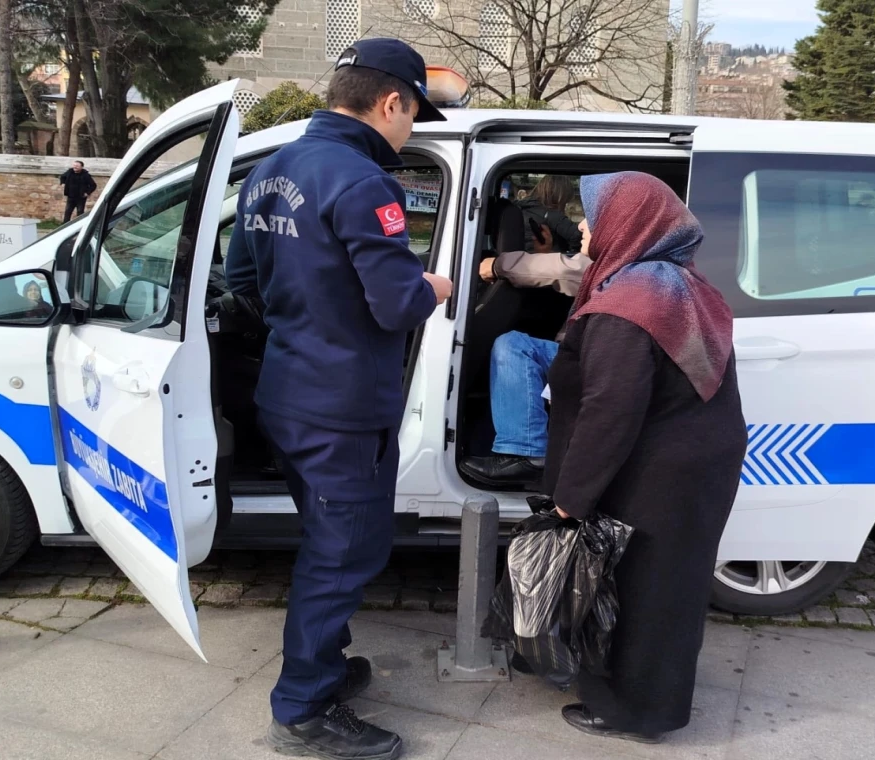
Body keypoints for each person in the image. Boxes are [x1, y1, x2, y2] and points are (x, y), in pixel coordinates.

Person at [224, 38, 454, 760]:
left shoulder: (269, 169)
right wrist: (434, 287)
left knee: (329, 539)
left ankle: (323, 666)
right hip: (343, 407)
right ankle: (303, 710)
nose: (409, 132)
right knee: (343, 551)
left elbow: (243, 282)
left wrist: (306, 318)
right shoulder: (363, 183)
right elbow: (397, 305)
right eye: (412, 116)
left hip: (286, 394)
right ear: (391, 102)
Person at [542, 172, 745, 744]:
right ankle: (657, 696)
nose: (582, 225)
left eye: (592, 214)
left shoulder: (629, 303)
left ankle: (633, 711)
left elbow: (610, 411)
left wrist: (570, 499)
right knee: (672, 586)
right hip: (694, 465)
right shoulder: (678, 283)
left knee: (640, 590)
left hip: (656, 473)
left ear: (625, 222)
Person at [461, 243, 590, 488]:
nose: (583, 226)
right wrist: (546, 250)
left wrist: (499, 265)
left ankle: (526, 452)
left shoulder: (624, 260)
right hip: (589, 354)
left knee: (514, 346)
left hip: (593, 360)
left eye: (590, 224)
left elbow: (569, 270)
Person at [517, 175, 583, 253]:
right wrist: (572, 253)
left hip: (521, 257)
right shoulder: (552, 215)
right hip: (548, 258)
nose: (565, 206)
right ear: (560, 197)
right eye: (566, 202)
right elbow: (577, 236)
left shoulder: (521, 208)